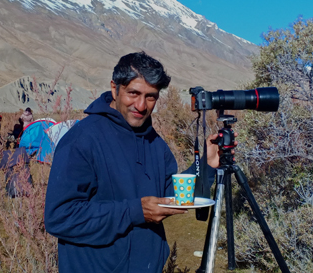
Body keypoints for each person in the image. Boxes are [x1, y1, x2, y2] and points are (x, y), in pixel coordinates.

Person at [44, 52, 220, 273]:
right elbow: (59, 217)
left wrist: (207, 165)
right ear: (114, 89)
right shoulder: (83, 140)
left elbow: (170, 195)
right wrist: (136, 211)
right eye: (133, 93)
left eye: (150, 96)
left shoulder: (155, 143)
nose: (141, 105)